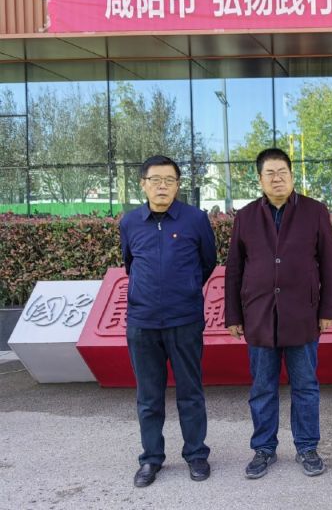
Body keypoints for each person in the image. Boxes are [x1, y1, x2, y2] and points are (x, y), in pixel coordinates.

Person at [225, 148, 332, 479]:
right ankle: (264, 448)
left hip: (303, 314)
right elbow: (234, 269)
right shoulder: (246, 216)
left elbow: (329, 264)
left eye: (283, 172)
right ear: (260, 179)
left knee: (306, 386)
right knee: (262, 387)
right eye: (270, 173)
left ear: (291, 175)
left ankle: (307, 447)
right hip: (259, 315)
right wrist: (233, 315)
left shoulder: (315, 212)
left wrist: (327, 309)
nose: (277, 179)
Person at [120, 155, 216, 487]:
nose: (162, 186)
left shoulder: (195, 219)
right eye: (155, 180)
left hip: (184, 320)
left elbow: (207, 262)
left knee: (191, 392)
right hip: (142, 322)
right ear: (143, 184)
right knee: (148, 396)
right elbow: (130, 262)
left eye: (169, 180)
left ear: (178, 185)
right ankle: (151, 458)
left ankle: (196, 454)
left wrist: (185, 289)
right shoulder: (130, 222)